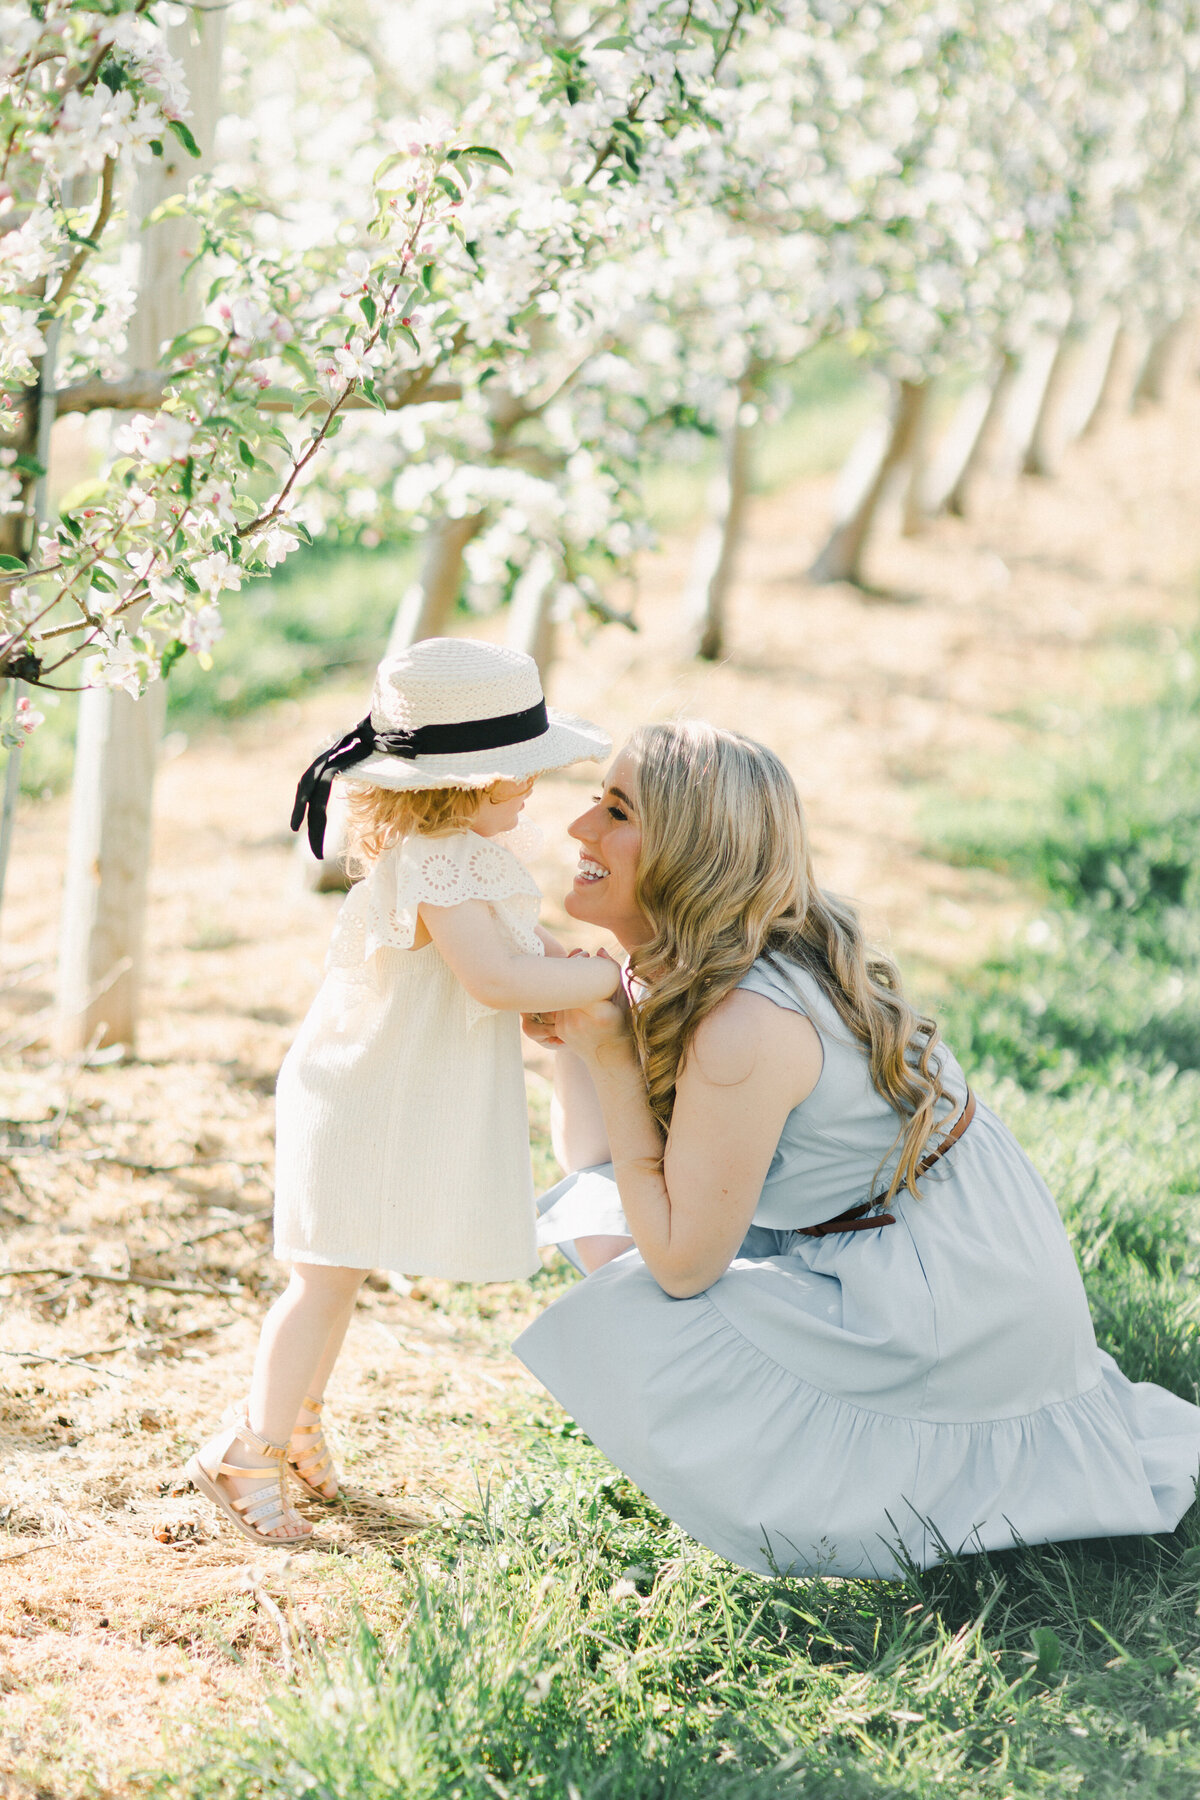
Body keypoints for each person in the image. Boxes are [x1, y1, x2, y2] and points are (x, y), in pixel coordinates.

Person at [515, 720, 1200, 1579]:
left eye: (617, 810)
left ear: (692, 855)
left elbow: (682, 1264)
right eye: (594, 800)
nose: (580, 829)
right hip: (924, 1234)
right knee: (620, 1241)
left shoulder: (742, 1025)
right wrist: (582, 1050)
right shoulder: (736, 953)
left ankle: (919, 1477)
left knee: (636, 1295)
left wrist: (612, 1053)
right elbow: (632, 1180)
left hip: (940, 1291)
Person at [188, 638, 618, 1545]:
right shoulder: (439, 863)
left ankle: (296, 1420)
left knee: (338, 1278)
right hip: (359, 1099)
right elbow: (495, 979)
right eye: (518, 772)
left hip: (381, 1091)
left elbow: (519, 950)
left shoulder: (462, 856)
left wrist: (566, 967)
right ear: (465, 786)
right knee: (320, 1282)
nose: (533, 786)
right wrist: (597, 983)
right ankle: (248, 1447)